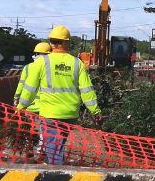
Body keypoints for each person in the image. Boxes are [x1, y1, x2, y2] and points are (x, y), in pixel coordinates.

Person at [17, 25, 101, 165]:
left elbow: (29, 89)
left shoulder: (41, 62)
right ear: (67, 42)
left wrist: (20, 107)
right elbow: (87, 90)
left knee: (53, 148)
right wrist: (95, 111)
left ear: (51, 43)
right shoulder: (77, 63)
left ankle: (57, 176)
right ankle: (57, 171)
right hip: (70, 114)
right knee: (57, 146)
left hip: (50, 114)